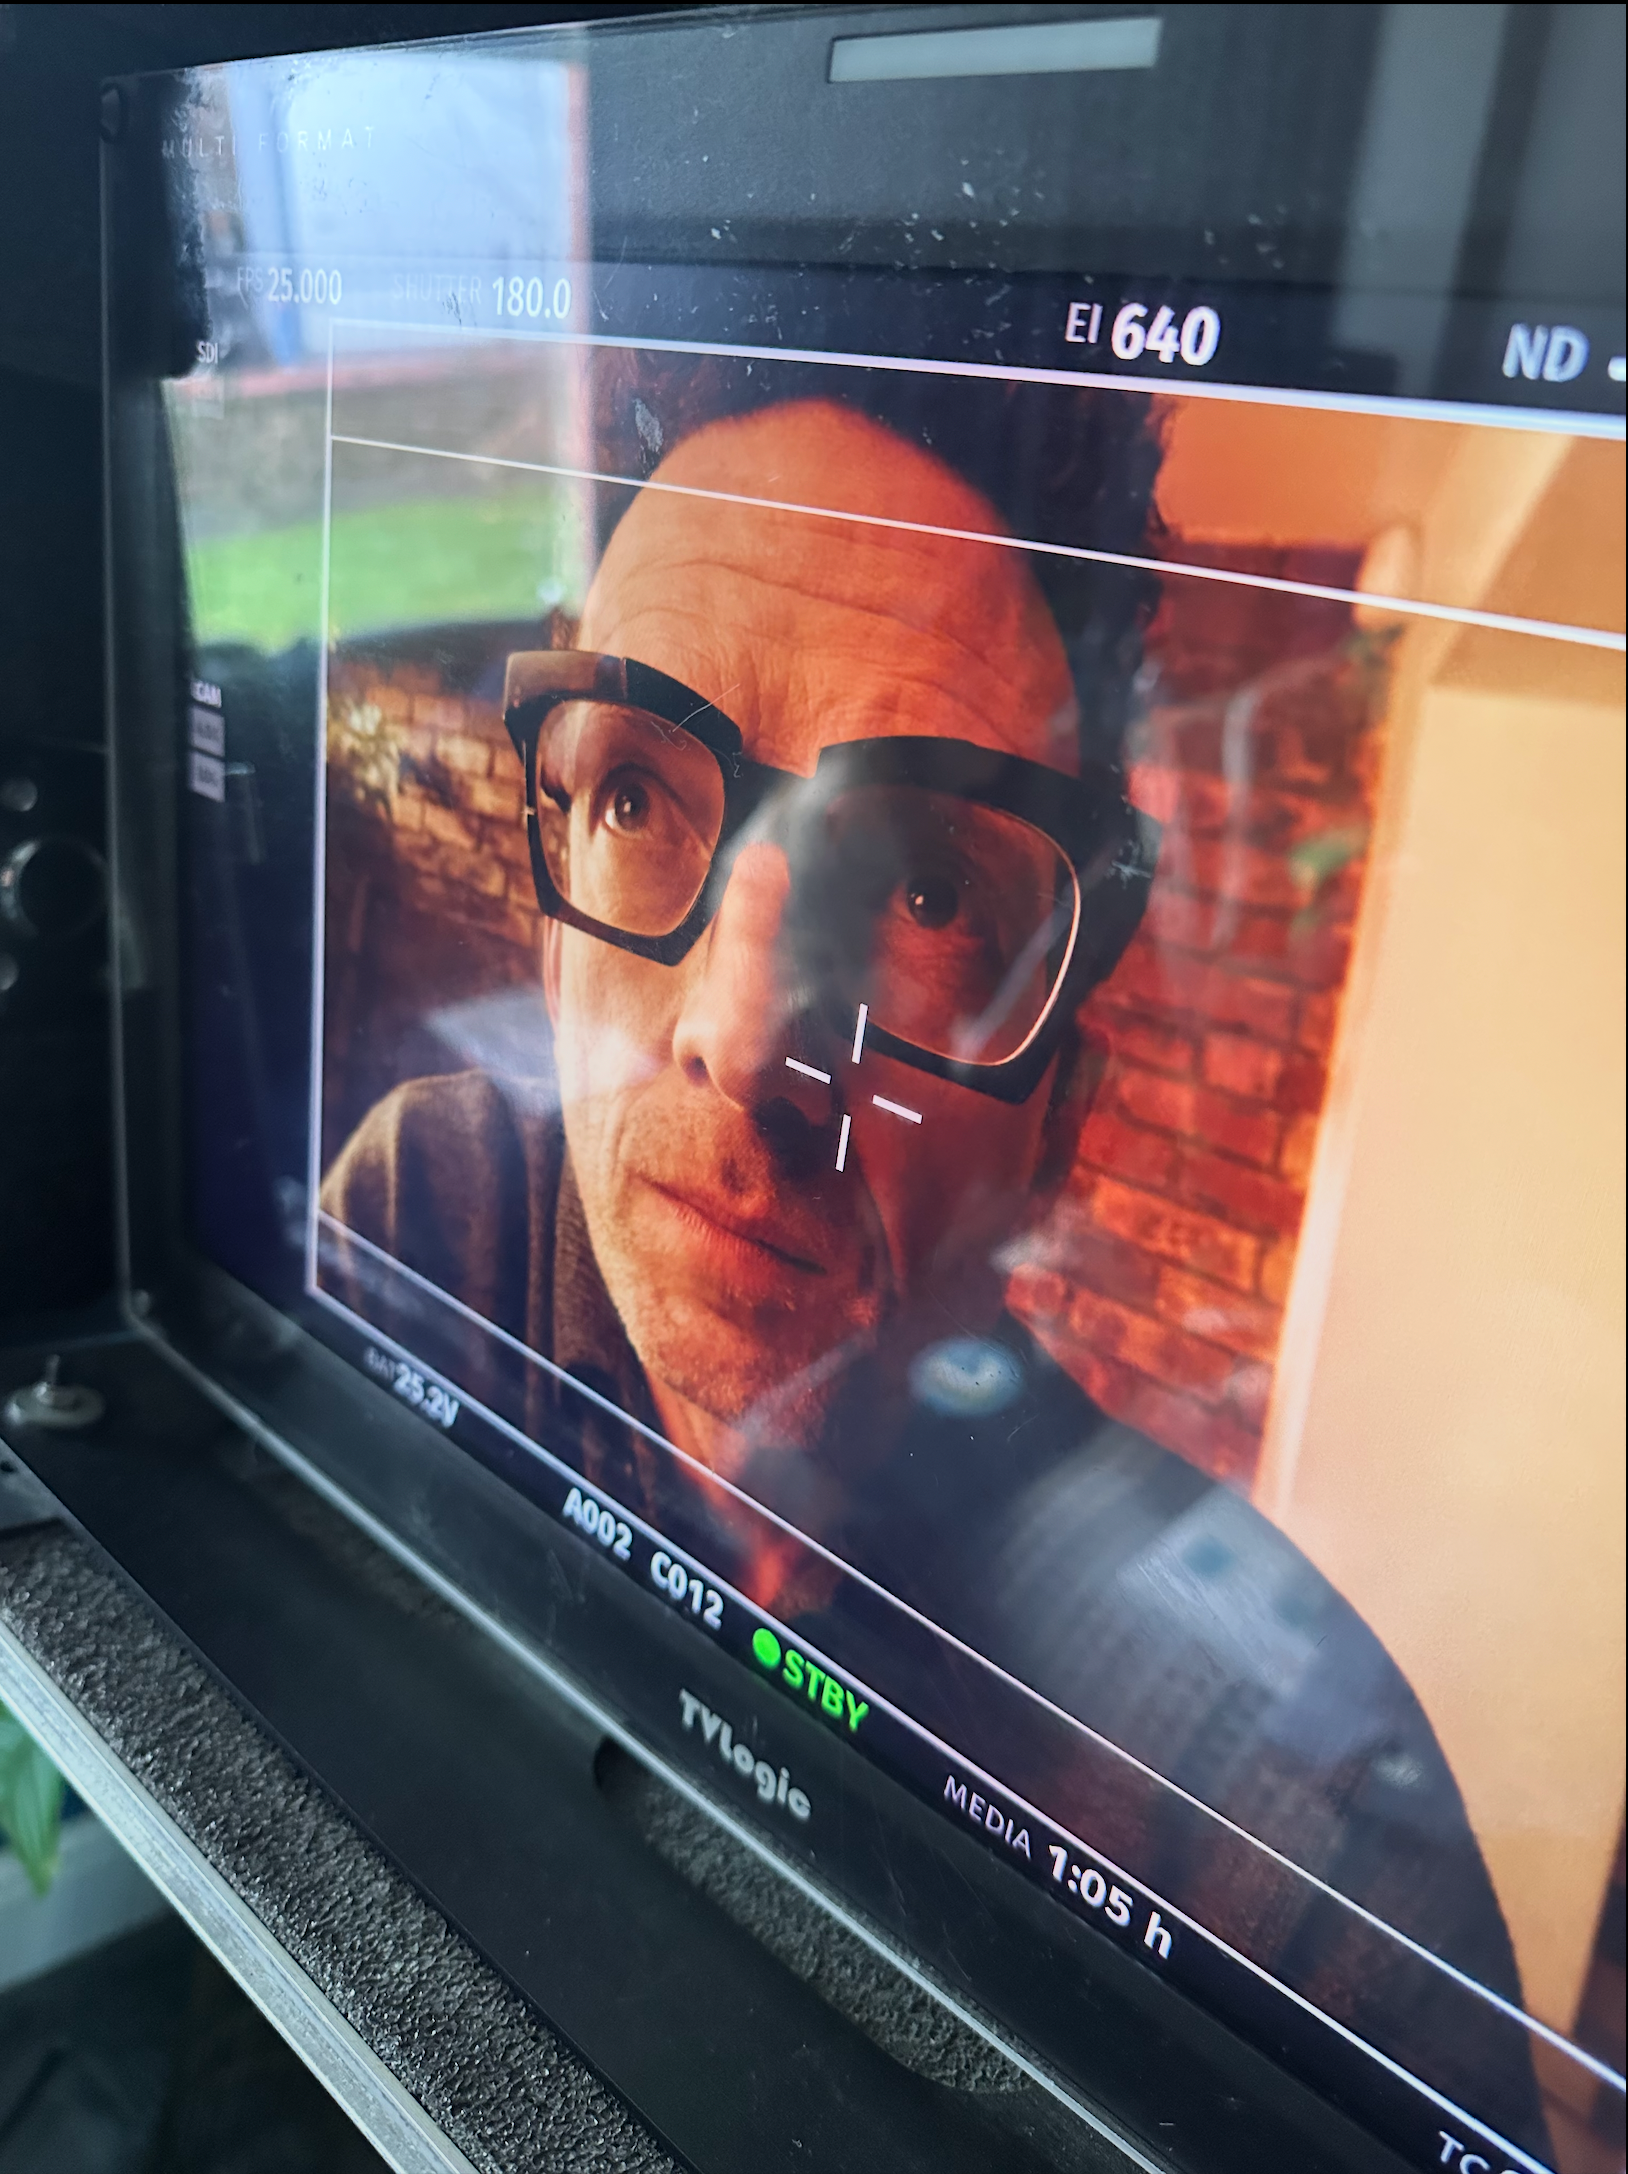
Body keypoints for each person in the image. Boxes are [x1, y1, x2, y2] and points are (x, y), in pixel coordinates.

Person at [322, 398, 1544, 2146]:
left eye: (927, 894)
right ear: (549, 894)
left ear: (1059, 1123)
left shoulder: (1305, 1838)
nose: (744, 1039)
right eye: (637, 793)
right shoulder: (435, 1207)